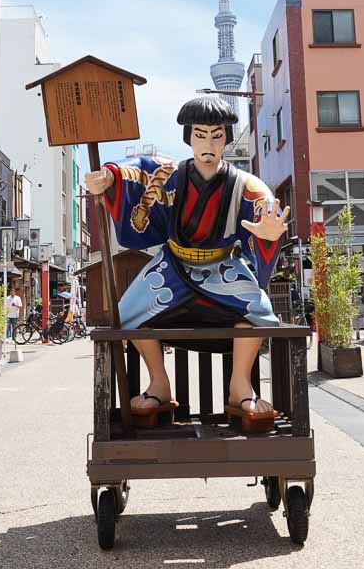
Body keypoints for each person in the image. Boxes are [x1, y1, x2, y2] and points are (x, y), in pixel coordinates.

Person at [84, 96, 289, 431]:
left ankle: (241, 387)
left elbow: (266, 208)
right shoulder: (169, 175)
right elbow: (134, 171)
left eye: (217, 135)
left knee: (259, 313)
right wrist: (108, 178)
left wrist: (268, 234)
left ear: (226, 137)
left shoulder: (245, 185)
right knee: (128, 315)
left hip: (223, 268)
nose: (208, 143)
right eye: (200, 134)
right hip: (173, 266)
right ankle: (159, 385)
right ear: (188, 137)